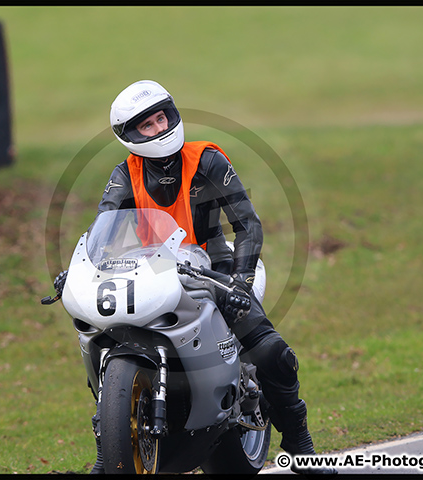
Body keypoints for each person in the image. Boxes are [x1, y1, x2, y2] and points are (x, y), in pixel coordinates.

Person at [53, 80, 336, 475]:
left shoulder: (208, 160)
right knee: (105, 335)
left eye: (161, 117)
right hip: (152, 265)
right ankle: (108, 455)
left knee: (273, 353)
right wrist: (78, 270)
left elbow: (248, 226)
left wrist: (239, 280)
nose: (158, 127)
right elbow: (105, 226)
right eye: (146, 125)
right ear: (129, 136)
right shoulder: (125, 175)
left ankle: (303, 450)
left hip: (213, 263)